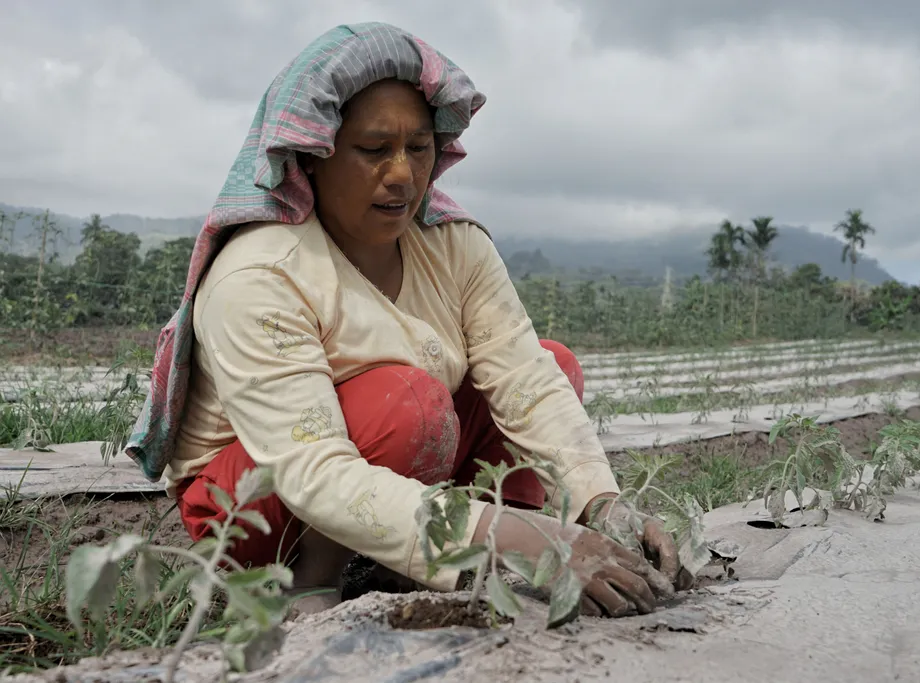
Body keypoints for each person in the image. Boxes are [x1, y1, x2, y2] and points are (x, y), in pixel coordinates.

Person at [125, 22, 689, 619]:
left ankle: (426, 553)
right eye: (374, 150)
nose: (402, 174)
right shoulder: (261, 273)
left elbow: (526, 376)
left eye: (418, 149)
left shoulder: (454, 245)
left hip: (384, 461)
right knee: (407, 400)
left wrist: (599, 505)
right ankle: (312, 585)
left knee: (554, 362)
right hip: (252, 505)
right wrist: (528, 539)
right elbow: (311, 470)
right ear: (314, 155)